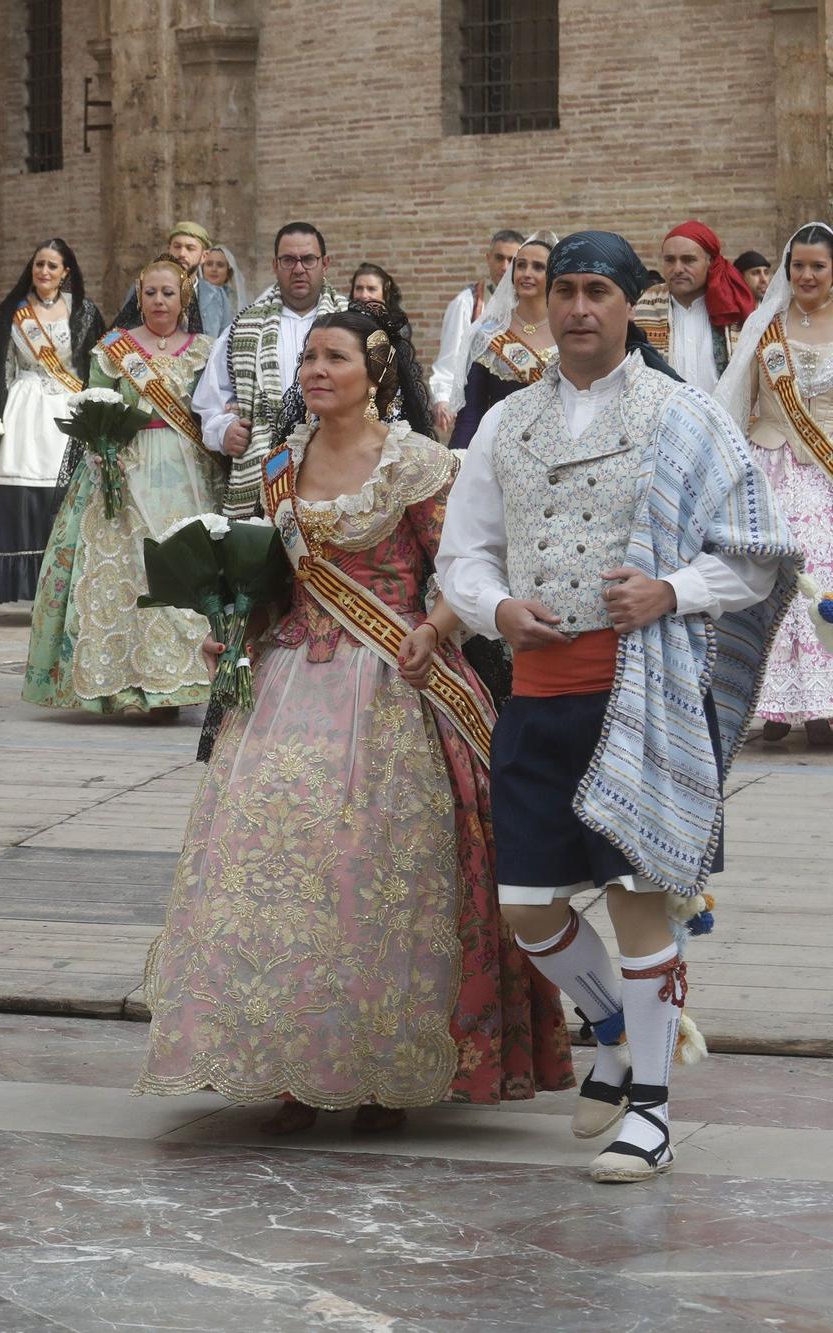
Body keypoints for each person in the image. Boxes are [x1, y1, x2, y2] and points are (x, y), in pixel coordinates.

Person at [140, 300, 572, 1134]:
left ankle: (386, 1071)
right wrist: (234, 632)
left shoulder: (415, 461)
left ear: (375, 370)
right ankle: (298, 1066)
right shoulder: (279, 465)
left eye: (333, 356)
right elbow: (274, 576)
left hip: (398, 687)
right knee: (287, 872)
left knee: (377, 874)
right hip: (290, 683)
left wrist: (435, 628)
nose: (314, 370)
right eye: (308, 358)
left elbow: (466, 565)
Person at [439, 231, 797, 1183]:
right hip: (539, 696)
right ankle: (611, 1027)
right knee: (526, 907)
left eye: (598, 290)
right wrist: (494, 606)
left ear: (630, 303)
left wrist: (674, 589)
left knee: (641, 904)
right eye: (565, 290)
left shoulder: (685, 415)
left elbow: (759, 548)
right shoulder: (506, 424)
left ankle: (651, 1112)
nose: (578, 308)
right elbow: (463, 553)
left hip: (643, 692)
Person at [23, 256, 215, 719]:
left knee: (176, 569)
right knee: (124, 575)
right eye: (150, 292)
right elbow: (93, 404)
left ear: (183, 297)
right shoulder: (114, 348)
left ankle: (172, 684)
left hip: (184, 475)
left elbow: (210, 412)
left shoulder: (204, 349)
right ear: (139, 296)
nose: (158, 301)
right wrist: (103, 450)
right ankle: (121, 685)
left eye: (168, 292)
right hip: (120, 474)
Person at [716, 223, 833, 747]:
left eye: (818, 266)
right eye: (799, 266)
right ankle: (775, 703)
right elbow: (738, 399)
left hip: (827, 468)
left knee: (823, 570)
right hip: (771, 466)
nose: (806, 275)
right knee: (775, 577)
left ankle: (822, 704)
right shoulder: (764, 327)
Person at [0, 239, 107, 602]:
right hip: (23, 407)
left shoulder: (83, 310)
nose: (44, 272)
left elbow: (96, 365)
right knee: (18, 493)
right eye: (39, 265)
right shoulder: (14, 310)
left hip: (68, 409)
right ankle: (19, 585)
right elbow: (1, 369)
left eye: (52, 266)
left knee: (63, 490)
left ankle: (63, 582)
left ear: (66, 271)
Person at [193, 221, 346, 517]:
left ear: (325, 263)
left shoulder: (352, 323)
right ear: (275, 265)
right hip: (264, 475)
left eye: (308, 259)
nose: (298, 268)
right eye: (288, 260)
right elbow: (209, 402)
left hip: (339, 466)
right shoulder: (242, 328)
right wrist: (224, 431)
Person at [449, 231, 559, 450]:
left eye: (538, 267)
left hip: (557, 451)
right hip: (500, 451)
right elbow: (471, 414)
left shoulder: (568, 331)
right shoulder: (488, 334)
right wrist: (457, 462)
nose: (527, 273)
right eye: (521, 265)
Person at [633, 220, 757, 392]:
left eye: (688, 260)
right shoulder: (644, 306)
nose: (677, 269)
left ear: (710, 262)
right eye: (670, 260)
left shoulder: (733, 305)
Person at [430, 229, 524, 440]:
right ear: (488, 258)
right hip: (477, 409)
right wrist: (442, 398)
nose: (505, 266)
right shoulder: (468, 302)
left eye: (512, 260)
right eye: (499, 258)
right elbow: (451, 356)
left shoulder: (535, 304)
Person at [166, 221, 231, 336]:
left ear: (204, 256)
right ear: (168, 250)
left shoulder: (217, 295)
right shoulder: (146, 289)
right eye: (177, 247)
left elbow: (225, 341)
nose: (181, 253)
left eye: (190, 248)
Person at [202, 246, 245, 326]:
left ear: (228, 272)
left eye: (220, 265)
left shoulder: (234, 301)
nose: (214, 269)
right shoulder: (195, 294)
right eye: (209, 264)